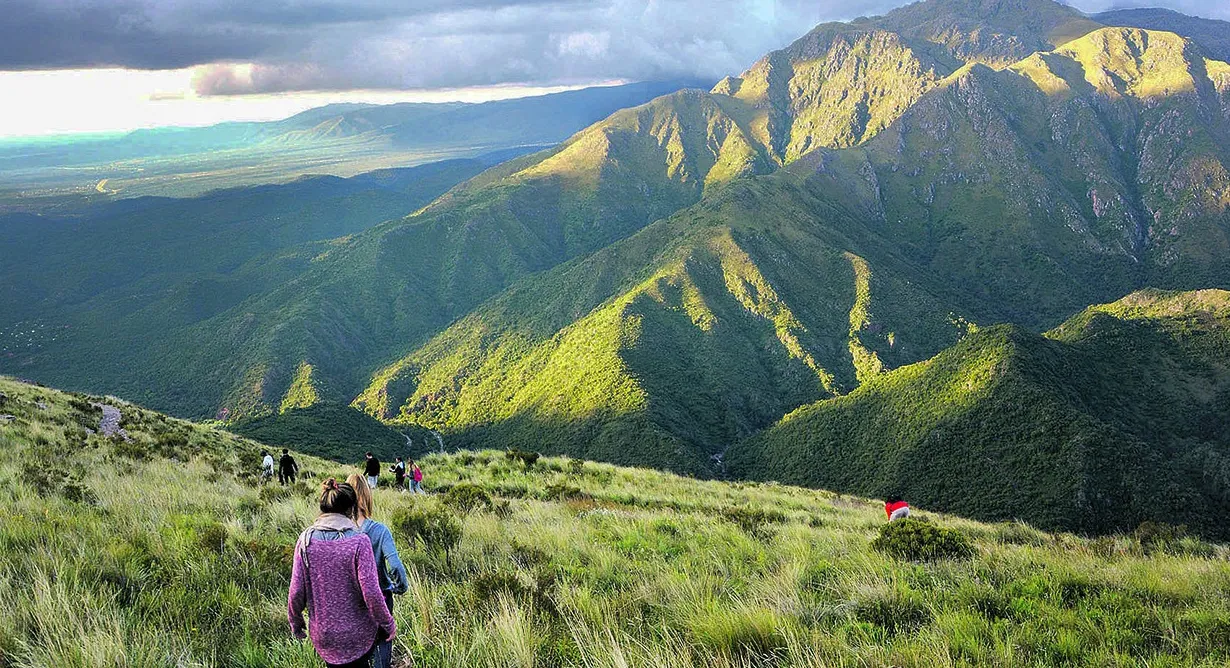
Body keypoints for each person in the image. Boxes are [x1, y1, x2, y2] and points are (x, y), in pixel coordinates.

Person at [289, 479, 395, 668]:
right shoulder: (359, 542)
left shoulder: (305, 541)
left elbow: (296, 592)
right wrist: (388, 624)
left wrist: (296, 623)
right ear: (352, 508)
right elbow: (371, 593)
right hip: (359, 636)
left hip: (324, 636)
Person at [346, 474, 408, 668]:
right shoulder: (380, 531)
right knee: (383, 645)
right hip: (380, 596)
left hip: (351, 601)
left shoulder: (341, 532)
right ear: (368, 497)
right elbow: (395, 565)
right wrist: (399, 587)